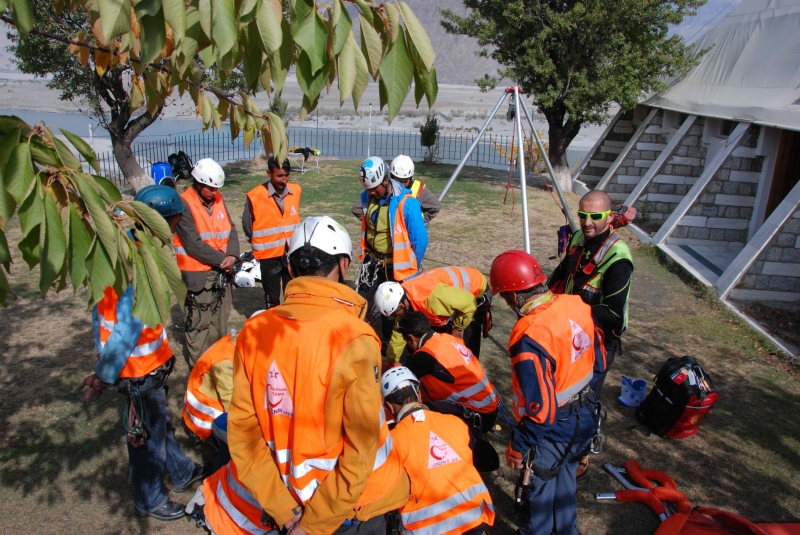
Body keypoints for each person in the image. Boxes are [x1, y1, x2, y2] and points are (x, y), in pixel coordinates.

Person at [228, 215, 409, 535]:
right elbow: (361, 447)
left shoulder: (253, 333)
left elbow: (244, 438)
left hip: (290, 502)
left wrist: (284, 511)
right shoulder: (355, 338)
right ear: (343, 265)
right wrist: (313, 525)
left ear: (291, 269)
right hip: (354, 510)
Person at [78, 185, 210, 521]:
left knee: (159, 423)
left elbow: (99, 311)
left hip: (146, 364)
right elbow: (126, 328)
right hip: (136, 370)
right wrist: (103, 377)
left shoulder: (122, 248)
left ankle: (180, 471)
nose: (174, 234)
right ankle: (149, 498)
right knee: (146, 438)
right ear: (158, 223)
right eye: (173, 225)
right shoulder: (138, 261)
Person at [489, 249, 605, 535]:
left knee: (540, 489)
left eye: (504, 297)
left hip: (555, 428)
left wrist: (518, 445)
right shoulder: (576, 305)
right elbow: (599, 360)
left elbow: (540, 410)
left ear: (513, 297)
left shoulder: (529, 335)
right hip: (586, 412)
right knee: (566, 478)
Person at [380, 366, 495, 535]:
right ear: (419, 394)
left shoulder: (391, 442)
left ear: (389, 407)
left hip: (426, 530)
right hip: (475, 519)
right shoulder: (456, 423)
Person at [548, 190, 633, 396]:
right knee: (559, 391)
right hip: (569, 329)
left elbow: (614, 314)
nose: (587, 222)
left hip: (598, 338)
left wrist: (569, 312)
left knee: (583, 398)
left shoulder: (618, 257)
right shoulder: (578, 237)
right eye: (582, 215)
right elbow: (563, 272)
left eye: (595, 216)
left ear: (610, 217)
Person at [351, 156, 428, 351]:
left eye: (375, 188)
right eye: (368, 189)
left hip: (396, 267)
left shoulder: (407, 203)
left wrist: (410, 265)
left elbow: (420, 241)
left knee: (390, 309)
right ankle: (355, 338)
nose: (372, 192)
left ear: (386, 180)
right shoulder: (368, 198)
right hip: (373, 262)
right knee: (362, 301)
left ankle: (388, 347)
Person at [174, 158, 240, 366]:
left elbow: (232, 230)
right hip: (198, 275)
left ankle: (216, 363)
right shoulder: (184, 203)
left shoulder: (218, 199)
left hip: (222, 274)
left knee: (219, 322)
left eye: (216, 189)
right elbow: (193, 244)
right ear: (198, 184)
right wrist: (223, 260)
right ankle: (200, 369)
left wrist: (233, 256)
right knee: (199, 324)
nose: (214, 193)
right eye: (210, 189)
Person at [396, 311, 499, 434]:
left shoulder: (426, 355)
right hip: (490, 404)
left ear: (411, 338)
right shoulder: (447, 338)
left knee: (415, 413)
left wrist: (390, 365)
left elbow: (398, 377)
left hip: (477, 413)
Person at [375, 265, 490, 361]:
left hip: (475, 290)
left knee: (465, 344)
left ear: (401, 305)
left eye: (394, 314)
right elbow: (399, 331)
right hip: (456, 298)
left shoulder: (432, 298)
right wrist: (391, 360)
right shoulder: (403, 297)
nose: (396, 317)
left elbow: (469, 303)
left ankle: (469, 372)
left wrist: (459, 327)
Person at [242, 157, 302, 309]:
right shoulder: (255, 196)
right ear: (269, 173)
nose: (284, 180)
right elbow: (247, 226)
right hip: (268, 256)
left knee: (293, 295)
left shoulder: (296, 190)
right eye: (279, 176)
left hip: (291, 253)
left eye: (287, 175)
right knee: (272, 299)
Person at [390, 155, 441, 223]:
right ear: (392, 176)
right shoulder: (385, 188)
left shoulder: (419, 189)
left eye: (405, 181)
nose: (401, 185)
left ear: (410, 178)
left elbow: (435, 206)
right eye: (398, 181)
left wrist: (418, 221)